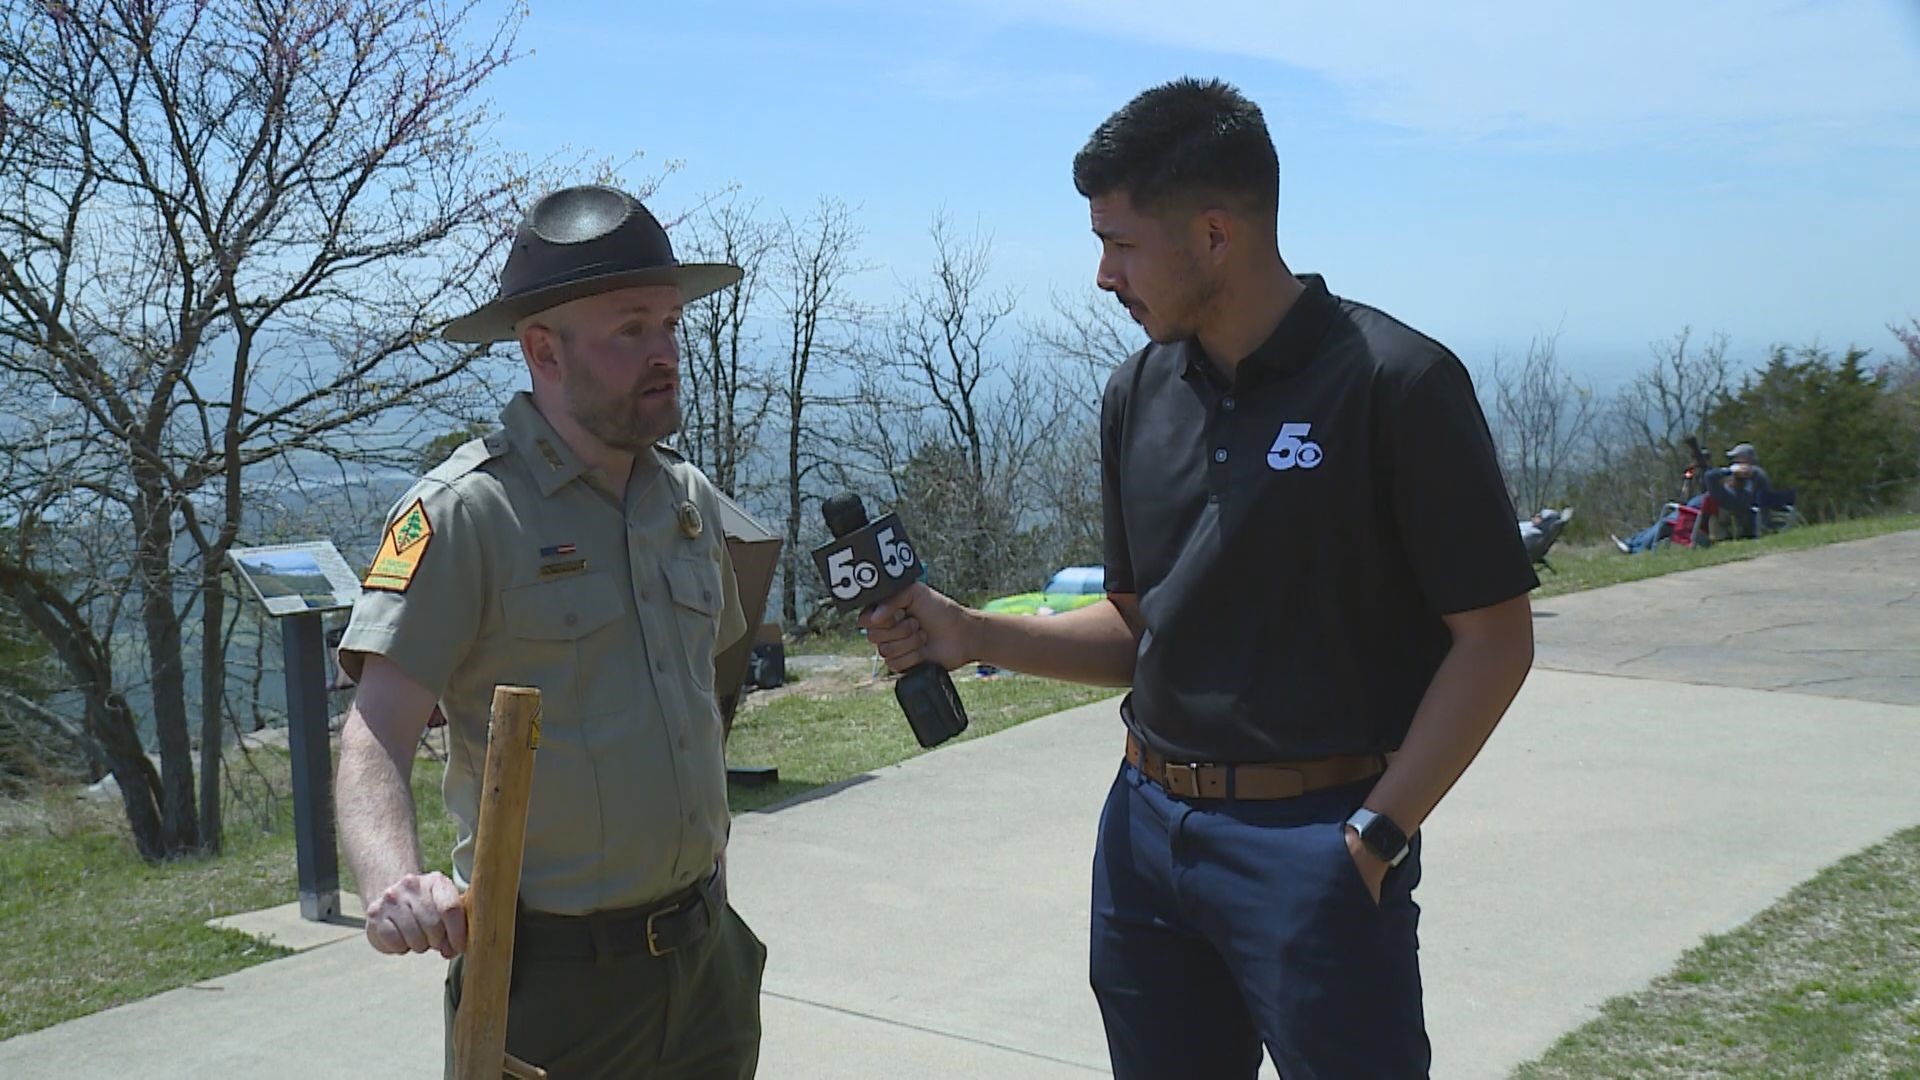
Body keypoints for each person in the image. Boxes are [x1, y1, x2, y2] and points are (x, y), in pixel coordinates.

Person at [862, 78, 1536, 1078]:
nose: (1102, 274)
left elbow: (1494, 640)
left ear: (1216, 235)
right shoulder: (1138, 392)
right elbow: (1143, 626)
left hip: (1319, 843)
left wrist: (1374, 836)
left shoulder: (1396, 383)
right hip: (1144, 833)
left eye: (1122, 244)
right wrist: (972, 632)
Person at [334, 184, 766, 1079]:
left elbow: (706, 679)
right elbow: (376, 729)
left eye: (670, 326)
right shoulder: (466, 515)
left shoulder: (681, 501)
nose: (665, 354)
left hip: (706, 962)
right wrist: (394, 886)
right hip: (552, 988)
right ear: (543, 350)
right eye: (629, 329)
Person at [1701, 442, 1773, 539]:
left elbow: (1710, 476)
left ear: (1746, 458)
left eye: (1736, 457)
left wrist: (1729, 471)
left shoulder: (1754, 472)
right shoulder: (1754, 473)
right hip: (1743, 506)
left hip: (1744, 507)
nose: (1734, 461)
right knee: (1708, 502)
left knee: (1708, 487)